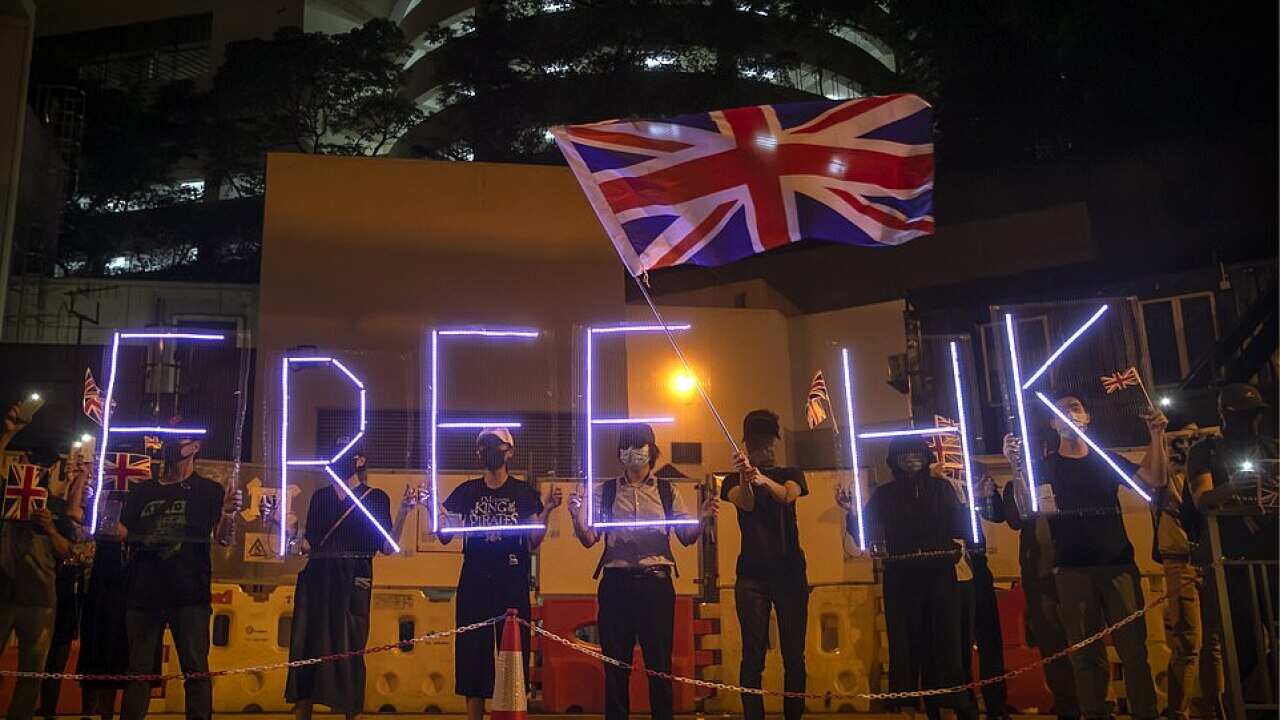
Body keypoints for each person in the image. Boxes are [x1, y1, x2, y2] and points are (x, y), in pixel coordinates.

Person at [568, 423, 717, 720]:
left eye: (638, 444)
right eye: (626, 445)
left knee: (659, 664)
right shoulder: (605, 491)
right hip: (616, 583)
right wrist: (575, 517)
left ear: (652, 450)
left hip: (656, 583)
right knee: (615, 664)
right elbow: (588, 540)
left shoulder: (667, 490)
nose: (632, 451)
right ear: (619, 452)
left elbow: (686, 538)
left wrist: (701, 519)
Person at [1032, 393, 1166, 720]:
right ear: (1052, 423)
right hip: (1072, 569)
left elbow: (1154, 480)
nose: (1068, 414)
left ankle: (1144, 713)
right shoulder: (1046, 466)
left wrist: (1157, 434)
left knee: (1134, 651)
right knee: (1085, 655)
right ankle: (1094, 713)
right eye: (1060, 411)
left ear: (1087, 417)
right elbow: (1027, 509)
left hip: (1117, 563)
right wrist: (1016, 465)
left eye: (1075, 407)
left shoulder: (1105, 458)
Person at [839, 435, 976, 720]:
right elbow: (863, 531)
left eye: (916, 453)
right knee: (904, 644)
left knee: (947, 641)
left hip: (940, 573)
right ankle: (907, 706)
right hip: (902, 577)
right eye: (904, 455)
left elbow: (962, 526)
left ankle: (952, 705)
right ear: (894, 461)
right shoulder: (885, 494)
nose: (912, 459)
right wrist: (852, 514)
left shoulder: (941, 488)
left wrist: (970, 509)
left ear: (926, 457)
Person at [284, 446, 419, 720]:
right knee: (307, 645)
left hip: (354, 578)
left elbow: (387, 545)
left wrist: (404, 511)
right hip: (318, 577)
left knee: (350, 645)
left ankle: (349, 710)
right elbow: (308, 545)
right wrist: (287, 529)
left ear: (359, 460)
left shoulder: (375, 498)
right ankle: (302, 709)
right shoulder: (321, 497)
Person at [435, 428, 560, 720]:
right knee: (471, 653)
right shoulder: (466, 492)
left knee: (513, 652)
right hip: (474, 576)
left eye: (495, 445)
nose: (488, 451)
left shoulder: (524, 492)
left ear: (509, 452)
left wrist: (549, 510)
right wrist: (432, 510)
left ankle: (511, 712)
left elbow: (531, 541)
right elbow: (444, 535)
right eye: (483, 447)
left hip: (511, 577)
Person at [118, 430, 241, 720]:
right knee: (138, 672)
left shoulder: (209, 490)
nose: (172, 446)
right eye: (169, 440)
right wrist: (100, 508)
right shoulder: (142, 490)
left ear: (194, 447)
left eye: (180, 440)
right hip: (144, 592)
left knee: (196, 670)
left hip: (189, 593)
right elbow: (121, 532)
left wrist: (228, 513)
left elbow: (222, 538)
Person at [1188, 383, 1278, 708]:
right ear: (1226, 416)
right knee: (1243, 648)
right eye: (1243, 416)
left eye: (1254, 415)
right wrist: (1234, 487)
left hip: (1273, 559)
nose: (1250, 423)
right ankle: (1251, 707)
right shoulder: (1207, 451)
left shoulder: (1271, 449)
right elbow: (1202, 498)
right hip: (1233, 563)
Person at [722, 410, 808, 720]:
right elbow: (745, 503)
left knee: (794, 655)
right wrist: (747, 479)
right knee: (752, 654)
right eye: (756, 441)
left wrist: (762, 478)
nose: (763, 446)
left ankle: (793, 716)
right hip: (752, 576)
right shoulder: (733, 479)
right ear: (747, 442)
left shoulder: (791, 472)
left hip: (790, 573)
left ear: (775, 440)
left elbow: (787, 496)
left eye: (767, 439)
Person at [988, 445, 1080, 719]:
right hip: (1038, 572)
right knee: (1052, 645)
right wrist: (1015, 474)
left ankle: (1093, 703)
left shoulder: (1068, 474)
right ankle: (1068, 707)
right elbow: (1015, 520)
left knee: (1084, 641)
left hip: (1076, 566)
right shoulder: (1014, 484)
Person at [0, 407, 78, 720]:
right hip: (3, 591)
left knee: (32, 673)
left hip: (40, 597)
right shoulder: (7, 494)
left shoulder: (56, 506)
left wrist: (48, 527)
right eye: (30, 460)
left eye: (40, 464)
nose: (33, 467)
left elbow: (66, 551)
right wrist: (9, 433)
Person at [1151, 424, 1225, 720]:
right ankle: (1178, 711)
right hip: (1180, 558)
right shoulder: (1165, 474)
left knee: (1214, 641)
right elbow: (1159, 491)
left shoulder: (1205, 464)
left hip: (1207, 555)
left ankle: (1213, 707)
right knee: (1188, 640)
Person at [38, 452, 91, 720]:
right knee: (49, 656)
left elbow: (77, 548)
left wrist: (83, 477)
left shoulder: (92, 523)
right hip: (56, 593)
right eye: (79, 492)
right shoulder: (58, 519)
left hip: (81, 596)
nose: (82, 496)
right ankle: (44, 708)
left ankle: (74, 711)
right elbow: (65, 508)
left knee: (74, 655)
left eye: (85, 494)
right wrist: (76, 476)